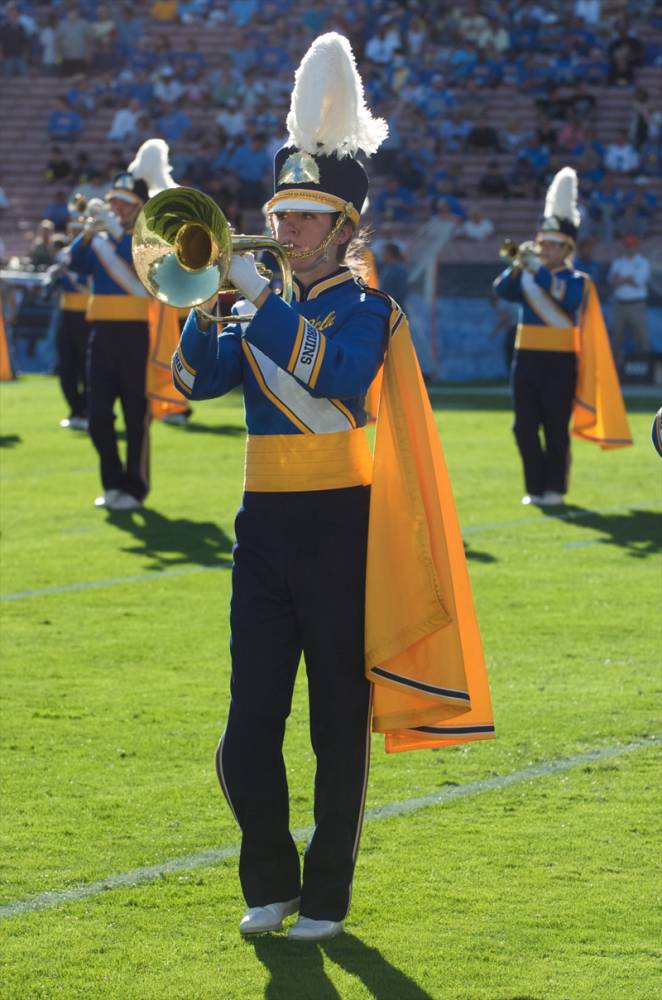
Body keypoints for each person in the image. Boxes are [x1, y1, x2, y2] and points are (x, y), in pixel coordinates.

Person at [170, 32, 494, 943]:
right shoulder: (253, 301)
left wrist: (258, 303)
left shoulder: (370, 310)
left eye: (305, 218)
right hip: (262, 525)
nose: (283, 230)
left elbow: (332, 380)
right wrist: (205, 310)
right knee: (246, 731)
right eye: (279, 216)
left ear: (347, 227)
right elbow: (196, 386)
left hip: (343, 529)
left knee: (335, 730)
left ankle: (326, 895)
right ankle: (268, 877)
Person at [494, 167, 631, 506]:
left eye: (552, 246)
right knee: (523, 427)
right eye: (542, 244)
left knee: (555, 426)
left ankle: (555, 488)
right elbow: (502, 290)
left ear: (567, 248)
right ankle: (534, 488)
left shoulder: (577, 280)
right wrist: (516, 265)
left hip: (560, 360)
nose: (545, 250)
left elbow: (565, 299)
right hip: (525, 358)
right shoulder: (527, 275)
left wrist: (535, 268)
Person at [68, 165, 151, 510]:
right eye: (114, 201)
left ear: (139, 209)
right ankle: (112, 481)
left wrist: (117, 233)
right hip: (100, 333)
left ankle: (135, 487)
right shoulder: (102, 238)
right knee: (98, 415)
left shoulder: (147, 241)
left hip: (137, 335)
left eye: (124, 204)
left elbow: (139, 267)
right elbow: (76, 263)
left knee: (135, 416)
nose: (115, 208)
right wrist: (87, 235)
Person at [48, 233, 91, 430]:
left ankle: (87, 409)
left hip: (88, 316)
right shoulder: (63, 265)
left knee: (87, 367)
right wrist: (56, 275)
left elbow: (86, 285)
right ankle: (75, 409)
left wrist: (67, 272)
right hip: (67, 316)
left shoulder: (90, 259)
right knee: (66, 367)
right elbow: (47, 292)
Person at [607, 235, 651, 370]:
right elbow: (612, 282)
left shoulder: (643, 262)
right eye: (628, 245)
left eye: (633, 245)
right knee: (616, 336)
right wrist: (627, 279)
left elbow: (638, 281)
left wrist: (622, 280)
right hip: (619, 304)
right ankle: (613, 368)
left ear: (636, 247)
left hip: (636, 304)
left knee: (641, 336)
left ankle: (645, 367)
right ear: (625, 247)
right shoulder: (618, 262)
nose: (630, 248)